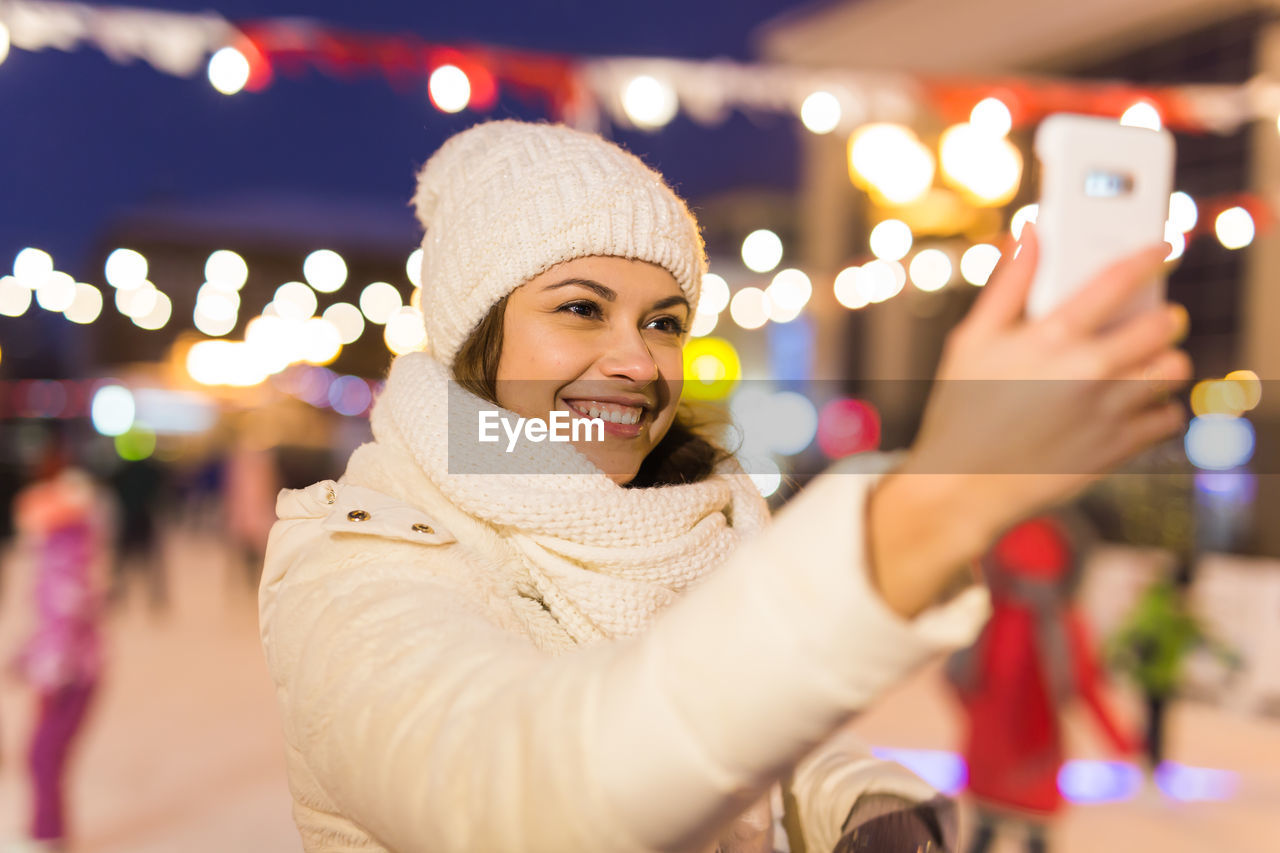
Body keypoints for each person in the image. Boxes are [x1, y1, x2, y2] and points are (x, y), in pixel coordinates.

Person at [258, 120, 1191, 852]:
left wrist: (855, 802)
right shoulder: (361, 551)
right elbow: (530, 792)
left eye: (664, 321)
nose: (635, 359)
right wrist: (938, 501)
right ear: (474, 333)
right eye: (580, 309)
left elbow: (733, 740)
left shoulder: (694, 515)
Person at [945, 514, 1139, 853]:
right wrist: (1120, 741)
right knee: (1033, 840)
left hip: (990, 758)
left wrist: (979, 718)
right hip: (1036, 758)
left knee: (983, 837)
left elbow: (956, 679)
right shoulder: (1063, 624)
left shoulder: (988, 616)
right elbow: (1086, 687)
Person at [6, 442, 109, 853]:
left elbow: (68, 616)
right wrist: (28, 656)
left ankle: (48, 835)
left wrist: (50, 665)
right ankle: (45, 830)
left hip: (69, 674)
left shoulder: (64, 553)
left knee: (41, 755)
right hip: (65, 668)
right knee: (42, 756)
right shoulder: (66, 549)